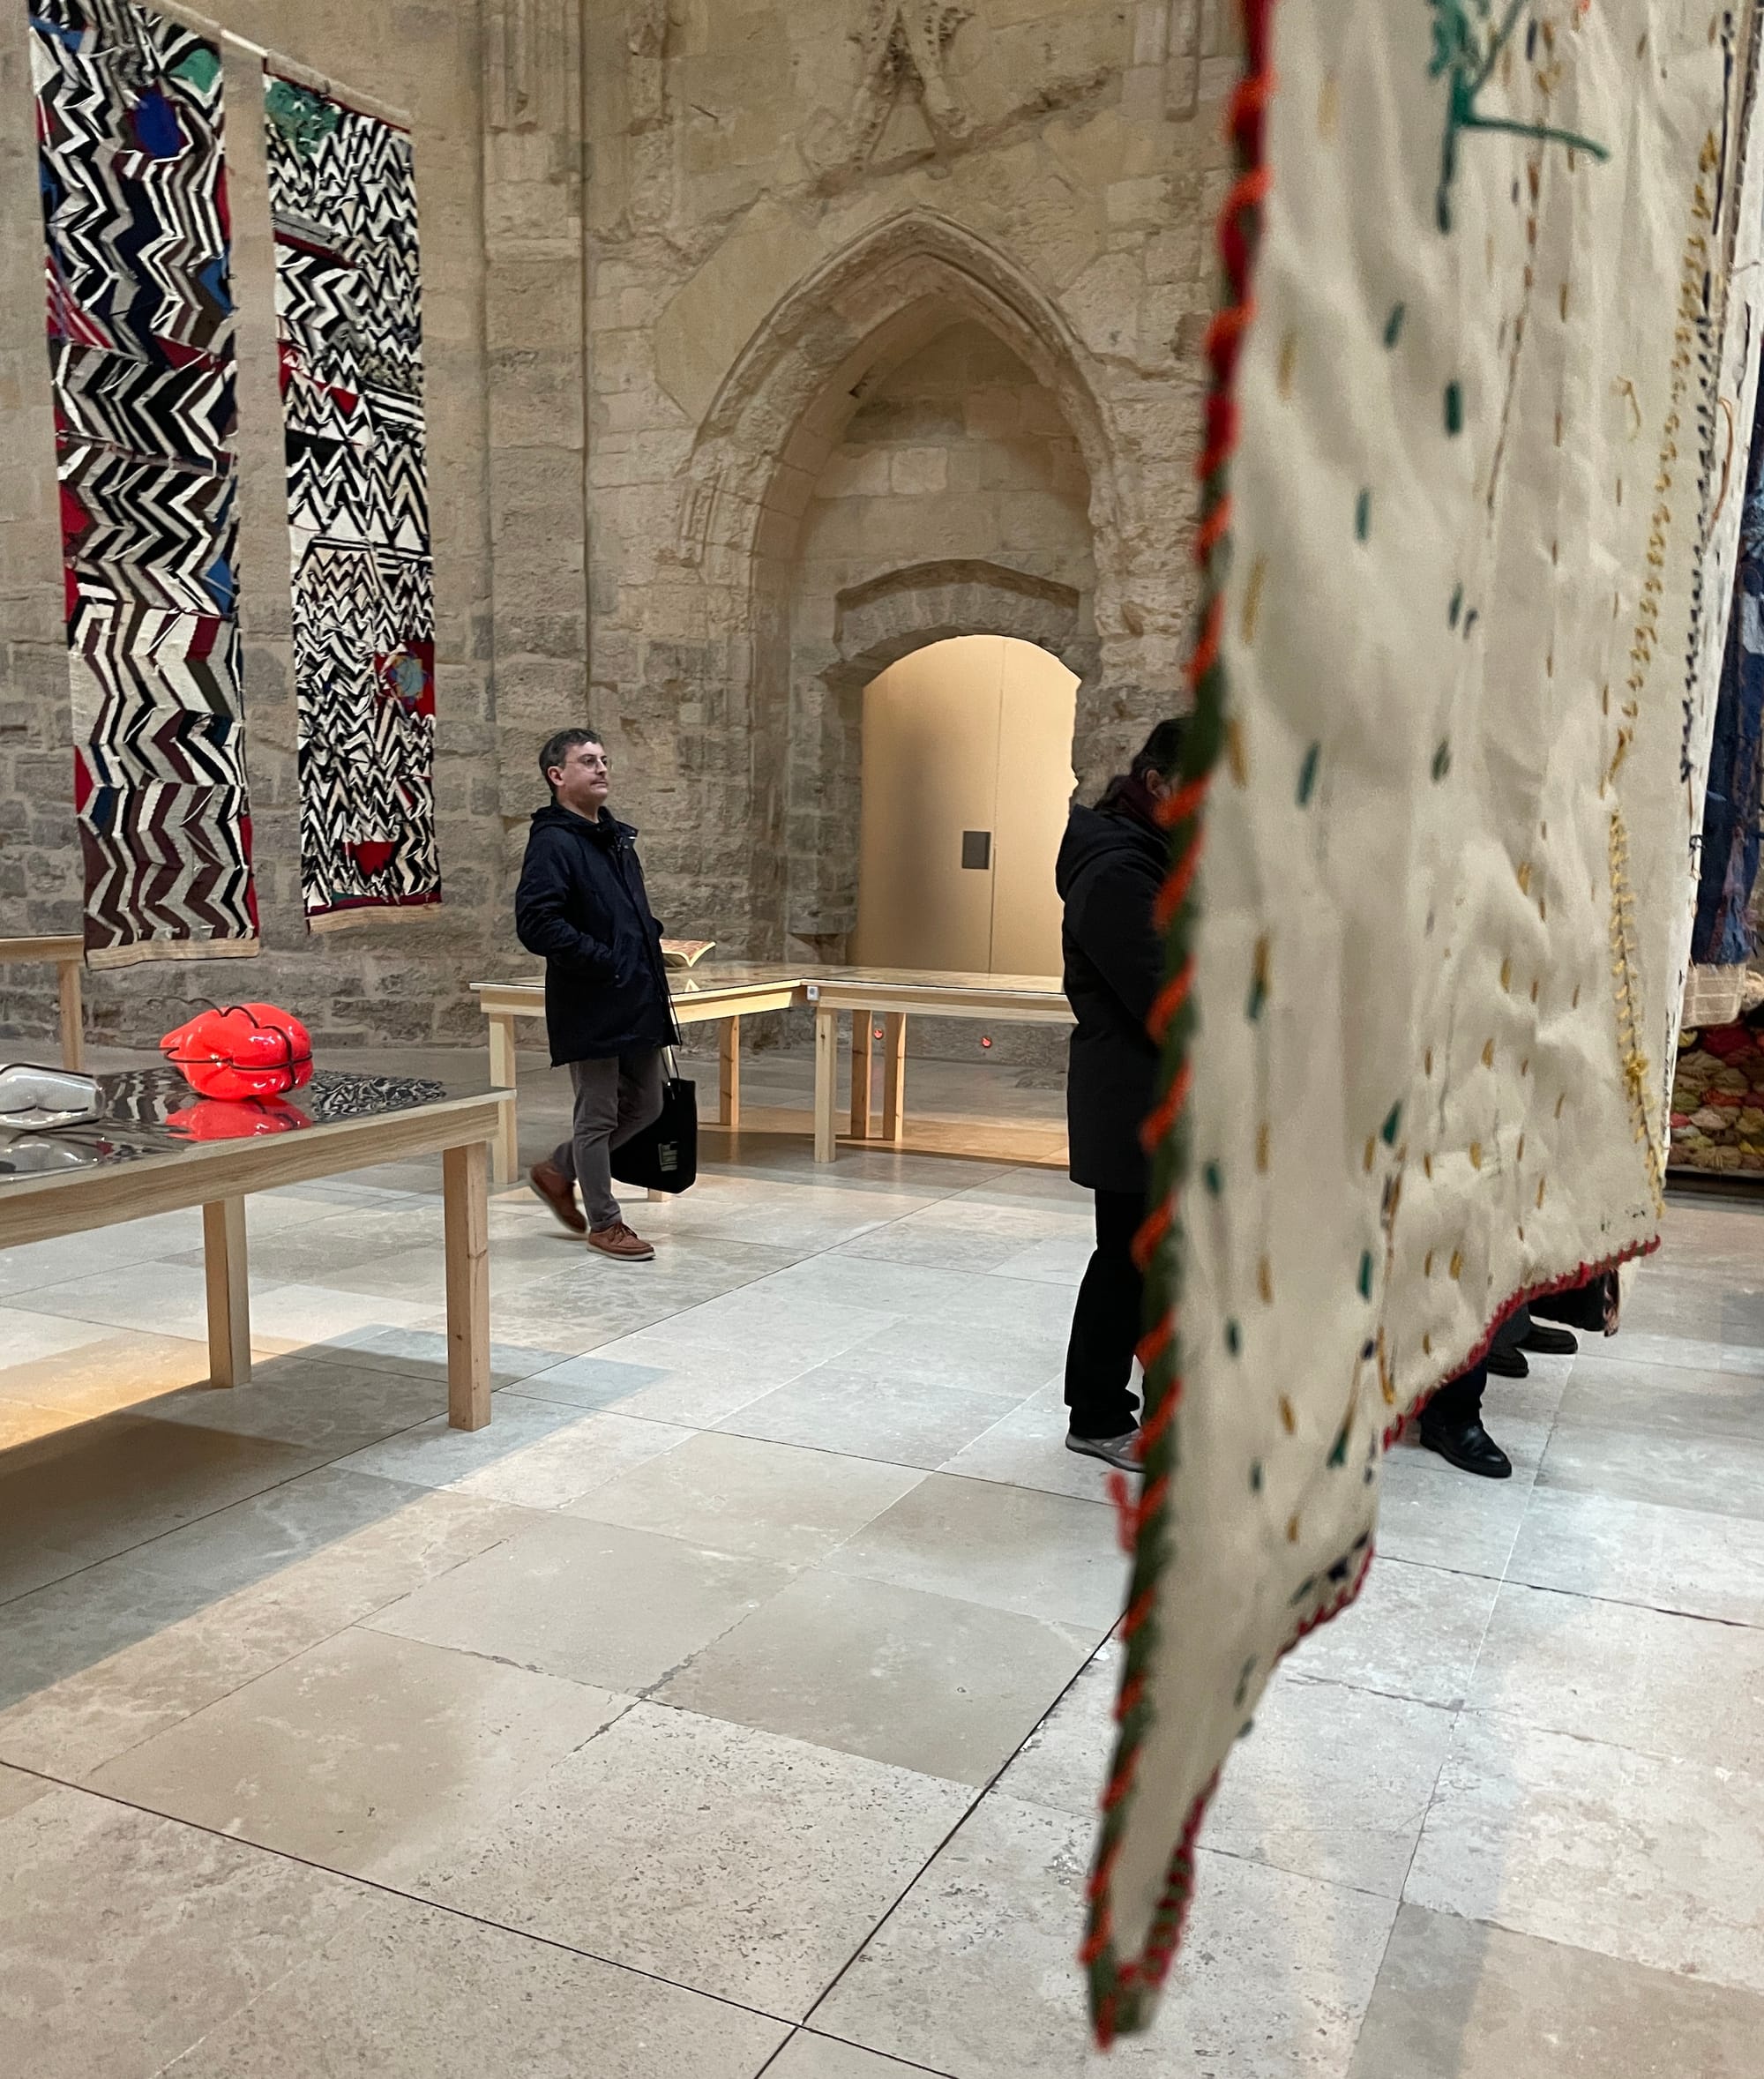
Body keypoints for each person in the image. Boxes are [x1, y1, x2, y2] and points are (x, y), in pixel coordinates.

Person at [1056, 718, 1186, 1473]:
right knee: (1125, 1262)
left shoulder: (1157, 851)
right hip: (1134, 1100)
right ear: (1156, 782)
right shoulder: (1114, 870)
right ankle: (1099, 1414)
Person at [515, 728, 674, 1261]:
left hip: (635, 991)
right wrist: (605, 959)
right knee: (599, 1113)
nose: (602, 768)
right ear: (557, 776)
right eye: (587, 761)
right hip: (592, 998)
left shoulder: (614, 837)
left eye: (604, 759)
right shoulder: (552, 841)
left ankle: (558, 1168)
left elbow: (622, 912)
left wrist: (648, 939)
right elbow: (537, 923)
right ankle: (606, 1223)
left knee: (647, 1105)